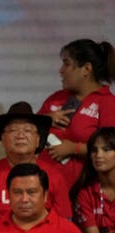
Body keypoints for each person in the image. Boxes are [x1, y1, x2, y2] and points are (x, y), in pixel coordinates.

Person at [0, 101, 72, 233]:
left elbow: (65, 226)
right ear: (3, 140)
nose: (20, 135)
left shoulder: (54, 176)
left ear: (38, 140)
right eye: (13, 130)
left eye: (28, 130)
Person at [38, 39, 115, 186]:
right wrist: (46, 119)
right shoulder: (56, 98)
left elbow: (111, 150)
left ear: (86, 69)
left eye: (66, 63)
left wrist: (74, 148)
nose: (61, 70)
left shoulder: (108, 103)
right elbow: (27, 130)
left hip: (81, 191)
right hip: (42, 186)